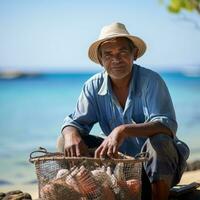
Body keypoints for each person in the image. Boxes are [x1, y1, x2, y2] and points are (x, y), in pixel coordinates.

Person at [57, 22, 190, 200]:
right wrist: (70, 133)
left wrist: (123, 130)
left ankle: (157, 195)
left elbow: (167, 125)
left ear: (134, 54)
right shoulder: (92, 86)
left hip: (158, 169)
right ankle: (94, 191)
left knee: (160, 140)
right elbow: (74, 122)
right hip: (118, 167)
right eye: (108, 55)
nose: (116, 59)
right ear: (100, 59)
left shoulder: (151, 81)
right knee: (66, 140)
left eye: (122, 52)